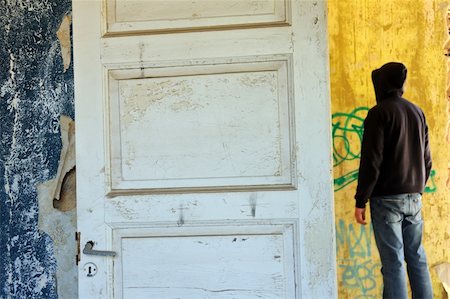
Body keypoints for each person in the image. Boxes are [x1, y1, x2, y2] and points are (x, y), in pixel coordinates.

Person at [354, 62, 433, 299]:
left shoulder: (378, 114)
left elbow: (372, 162)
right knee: (417, 257)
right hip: (415, 198)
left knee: (393, 262)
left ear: (381, 83)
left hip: (387, 199)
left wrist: (361, 200)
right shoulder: (417, 112)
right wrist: (417, 188)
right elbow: (427, 159)